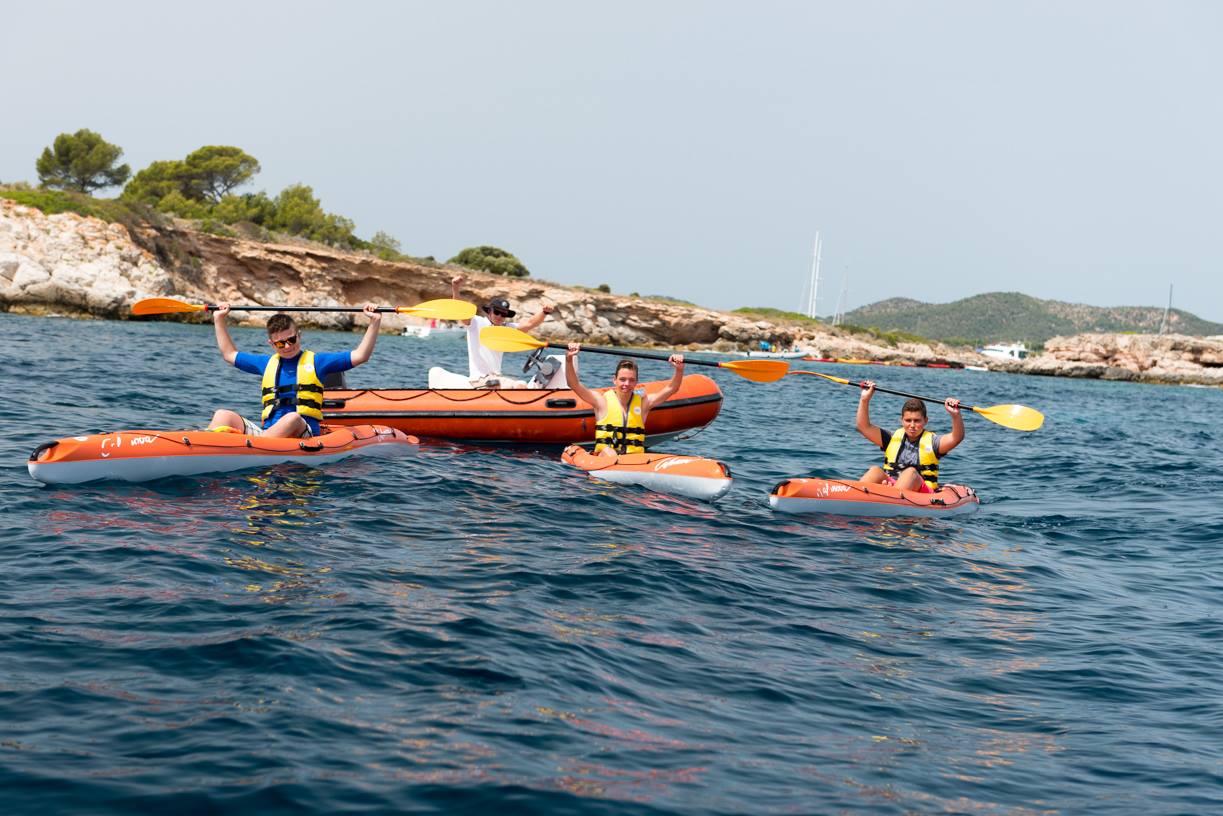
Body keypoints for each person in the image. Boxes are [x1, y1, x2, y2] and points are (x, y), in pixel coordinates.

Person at [207, 304, 382, 438]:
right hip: (268, 434)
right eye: (280, 343)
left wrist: (374, 321)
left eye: (291, 339)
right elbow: (229, 354)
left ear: (299, 335)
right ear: (272, 343)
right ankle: (206, 450)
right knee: (223, 415)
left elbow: (361, 355)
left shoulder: (318, 362)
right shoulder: (266, 363)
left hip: (303, 433)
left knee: (292, 418)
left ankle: (251, 449)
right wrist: (219, 319)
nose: (288, 346)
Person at [564, 343, 684, 455]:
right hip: (605, 458)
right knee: (609, 453)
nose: (626, 384)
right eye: (622, 379)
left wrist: (679, 369)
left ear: (636, 382)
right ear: (614, 380)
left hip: (633, 460)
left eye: (631, 380)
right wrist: (569, 359)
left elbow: (671, 389)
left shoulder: (644, 403)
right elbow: (574, 384)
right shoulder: (601, 401)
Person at [855, 380, 964, 492]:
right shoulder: (891, 439)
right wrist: (864, 399)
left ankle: (891, 499)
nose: (912, 425)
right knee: (875, 471)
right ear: (901, 420)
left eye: (917, 421)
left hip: (922, 491)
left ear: (925, 421)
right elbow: (863, 427)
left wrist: (955, 415)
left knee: (910, 472)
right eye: (908, 420)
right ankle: (855, 497)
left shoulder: (933, 442)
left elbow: (956, 437)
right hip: (893, 486)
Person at [451, 274, 553, 386]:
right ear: (489, 311)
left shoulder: (506, 328)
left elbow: (529, 324)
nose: (499, 316)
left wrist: (544, 312)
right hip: (479, 379)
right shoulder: (477, 323)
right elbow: (459, 310)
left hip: (496, 377)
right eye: (496, 312)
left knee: (522, 383)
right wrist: (455, 287)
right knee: (519, 386)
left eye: (503, 314)